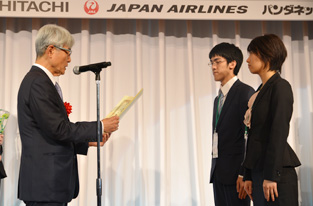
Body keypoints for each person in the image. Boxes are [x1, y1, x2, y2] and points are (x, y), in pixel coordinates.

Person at [17, 24, 119, 206]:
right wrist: (100, 126)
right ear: (50, 50)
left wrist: (88, 141)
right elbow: (59, 129)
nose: (70, 59)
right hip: (45, 185)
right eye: (68, 52)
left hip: (49, 186)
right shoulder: (38, 83)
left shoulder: (41, 81)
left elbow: (49, 132)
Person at [243, 34, 301, 206]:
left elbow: (278, 132)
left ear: (265, 55)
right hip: (259, 172)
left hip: (276, 175)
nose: (247, 60)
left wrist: (270, 175)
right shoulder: (260, 90)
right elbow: (253, 136)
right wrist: (248, 174)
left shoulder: (280, 87)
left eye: (252, 53)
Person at [209, 42, 254, 206]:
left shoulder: (245, 92)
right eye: (211, 62)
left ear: (232, 64)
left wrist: (244, 174)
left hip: (237, 175)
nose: (213, 67)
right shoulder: (217, 99)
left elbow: (249, 137)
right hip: (218, 172)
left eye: (217, 61)